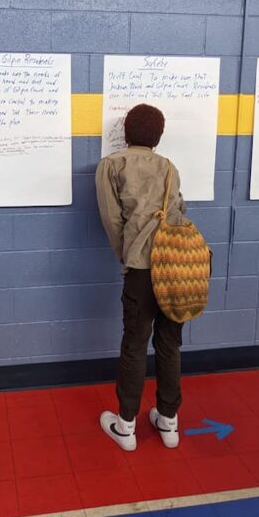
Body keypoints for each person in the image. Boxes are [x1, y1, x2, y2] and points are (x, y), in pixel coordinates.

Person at [95, 104, 187, 452]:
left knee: (134, 344)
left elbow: (111, 220)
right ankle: (169, 423)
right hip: (174, 267)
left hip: (141, 269)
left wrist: (128, 254)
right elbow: (180, 210)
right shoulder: (169, 168)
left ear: (126, 132)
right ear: (158, 136)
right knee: (170, 343)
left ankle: (126, 427)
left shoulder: (111, 166)